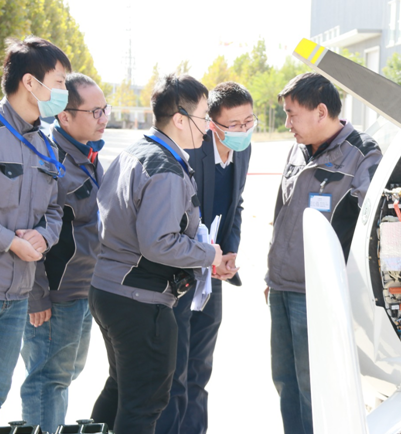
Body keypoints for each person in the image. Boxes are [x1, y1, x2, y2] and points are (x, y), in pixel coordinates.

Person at [89, 73, 222, 434]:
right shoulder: (164, 168)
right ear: (180, 119)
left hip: (109, 290)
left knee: (120, 391)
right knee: (144, 404)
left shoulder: (135, 152)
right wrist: (207, 254)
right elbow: (159, 243)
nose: (208, 126)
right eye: (204, 115)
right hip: (139, 301)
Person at [265, 72, 382, 434]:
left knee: (314, 385)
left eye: (291, 114)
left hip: (317, 294)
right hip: (283, 288)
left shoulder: (362, 155)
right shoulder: (298, 150)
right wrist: (271, 277)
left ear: (320, 112)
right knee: (284, 380)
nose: (287, 124)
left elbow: (371, 228)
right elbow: (281, 212)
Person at [0, 36, 70, 434]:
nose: (64, 91)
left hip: (15, 299)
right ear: (31, 82)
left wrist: (44, 237)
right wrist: (10, 241)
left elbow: (57, 210)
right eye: (59, 82)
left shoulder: (46, 146)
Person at [157, 82, 253, 434]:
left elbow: (235, 204)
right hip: (181, 270)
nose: (244, 131)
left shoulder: (243, 150)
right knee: (176, 370)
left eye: (249, 121)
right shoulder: (191, 152)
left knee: (200, 368)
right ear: (211, 124)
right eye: (235, 125)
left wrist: (229, 251)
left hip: (213, 273)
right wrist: (203, 254)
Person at [20, 73, 109, 433]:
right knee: (47, 381)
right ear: (65, 116)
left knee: (65, 374)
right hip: (54, 297)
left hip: (82, 290)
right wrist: (37, 295)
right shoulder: (51, 160)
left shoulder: (87, 155)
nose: (103, 118)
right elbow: (32, 229)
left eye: (105, 110)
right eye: (95, 112)